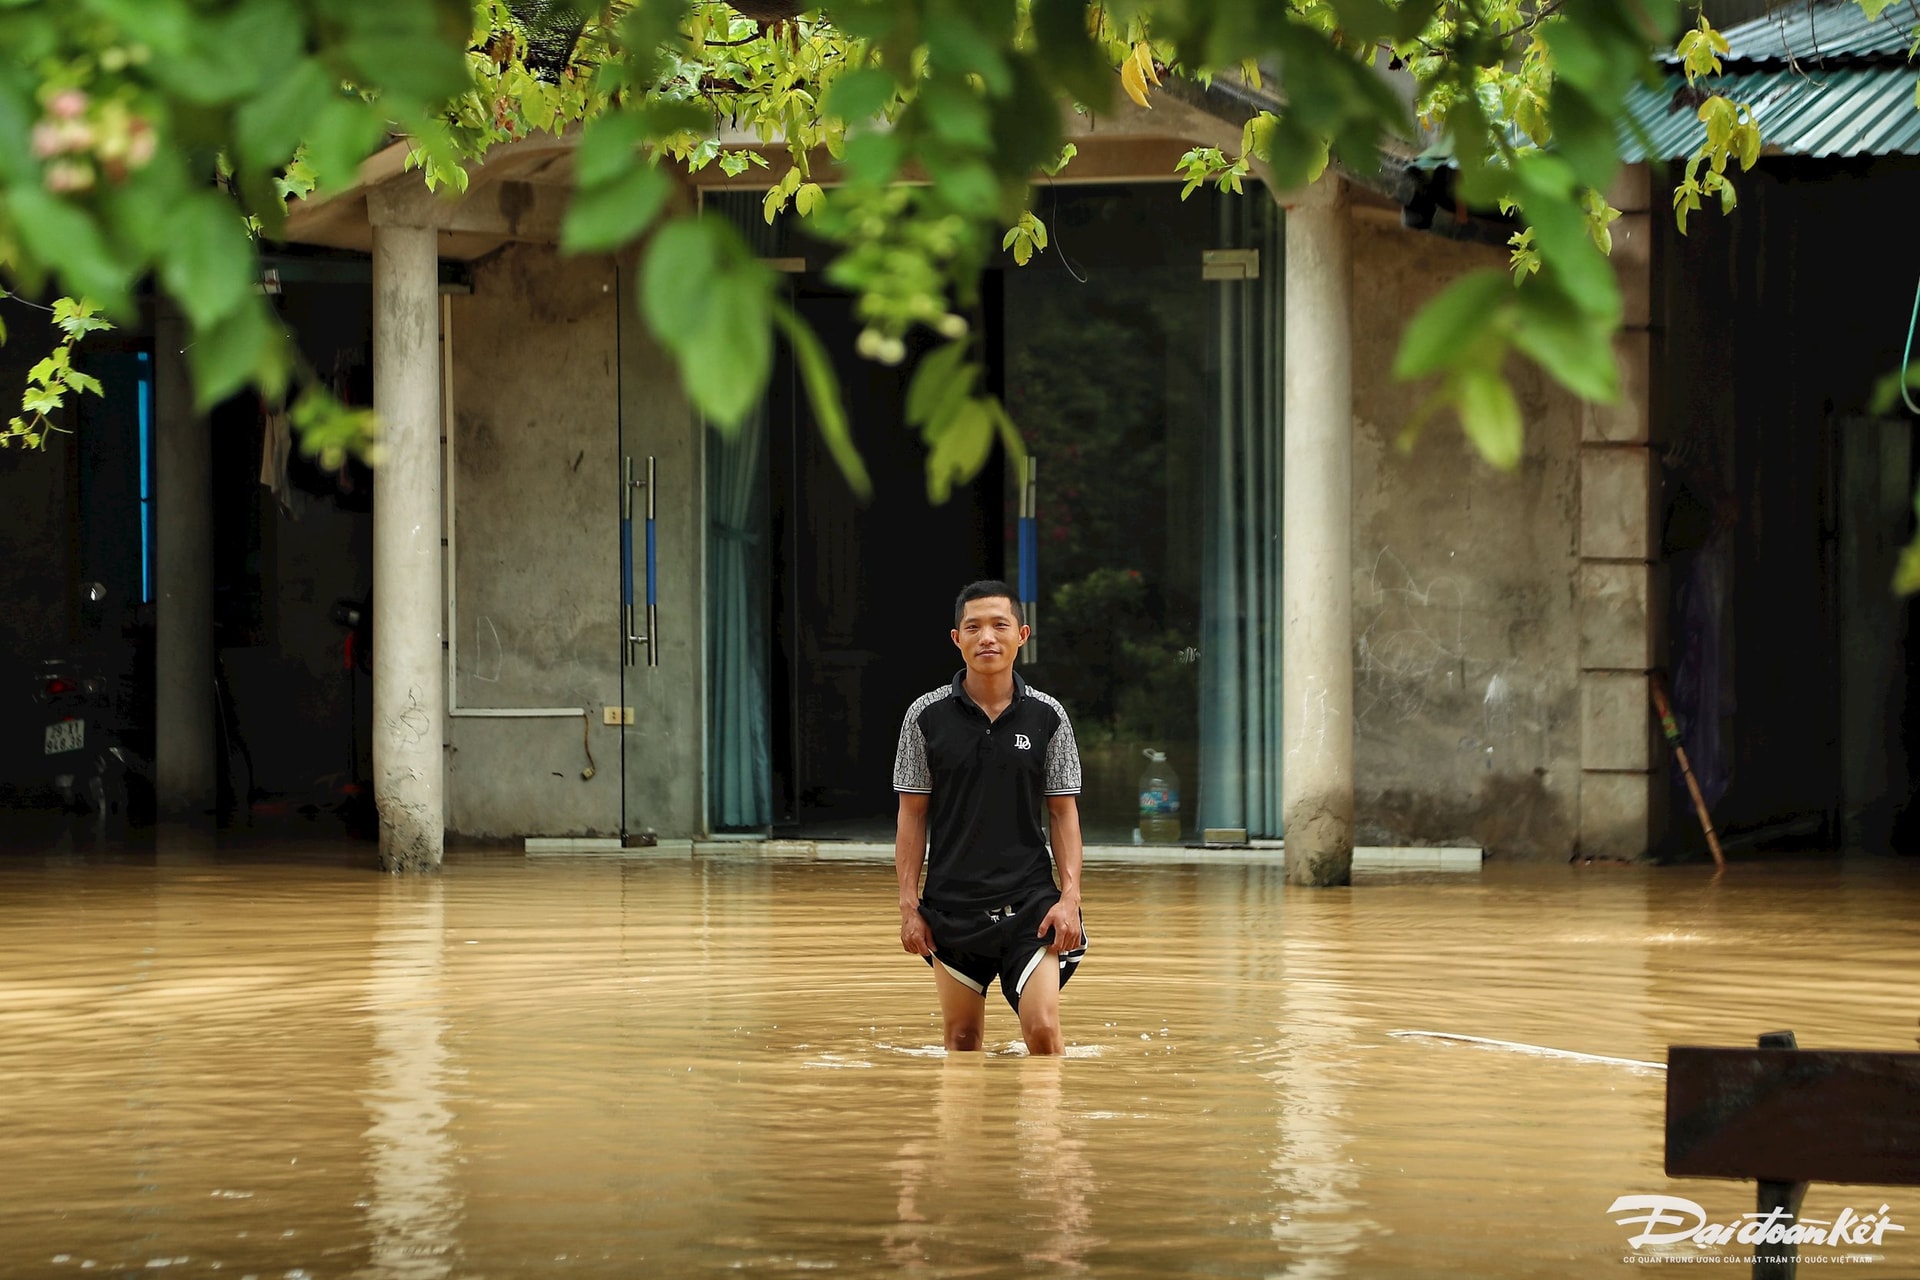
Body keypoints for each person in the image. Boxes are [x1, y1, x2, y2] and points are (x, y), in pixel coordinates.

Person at [892, 580, 1086, 1055]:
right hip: (952, 908)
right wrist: (907, 906)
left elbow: (1063, 815)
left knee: (1042, 1031)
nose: (987, 638)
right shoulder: (924, 717)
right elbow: (911, 817)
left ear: (1022, 634)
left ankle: (1047, 1131)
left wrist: (1070, 899)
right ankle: (967, 1132)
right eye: (973, 627)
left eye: (1000, 625)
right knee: (962, 1040)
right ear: (956, 639)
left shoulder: (1049, 716)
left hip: (1031, 905)